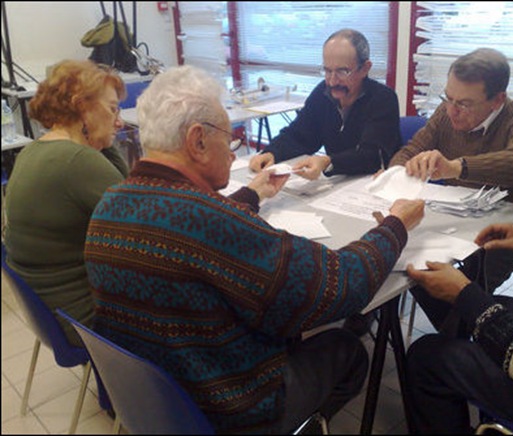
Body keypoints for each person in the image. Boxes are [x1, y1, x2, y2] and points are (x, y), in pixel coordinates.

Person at [84, 65, 425, 434]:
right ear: (198, 140)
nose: (234, 153)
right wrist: (395, 226)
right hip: (229, 410)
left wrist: (254, 193)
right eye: (229, 137)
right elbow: (339, 286)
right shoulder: (213, 221)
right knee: (348, 350)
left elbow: (190, 233)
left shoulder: (110, 203)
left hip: (152, 400)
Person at [405, 145, 513, 433]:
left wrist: (467, 296)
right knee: (479, 311)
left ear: (496, 100)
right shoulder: (444, 117)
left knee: (428, 357)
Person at [389, 47, 513, 337]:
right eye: (448, 98)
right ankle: (459, 336)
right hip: (459, 218)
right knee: (405, 261)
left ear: (497, 100)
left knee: (450, 282)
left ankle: (464, 343)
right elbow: (411, 150)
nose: (452, 110)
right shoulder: (446, 112)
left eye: (464, 104)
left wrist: (457, 167)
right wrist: (396, 172)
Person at [4, 59, 129, 348]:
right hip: (83, 319)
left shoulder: (35, 150)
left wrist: (99, 138)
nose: (119, 121)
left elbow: (124, 191)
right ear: (82, 106)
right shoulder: (77, 162)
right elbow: (146, 224)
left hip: (49, 314)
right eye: (112, 109)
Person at [249, 28, 402, 181]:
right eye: (328, 71)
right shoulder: (323, 93)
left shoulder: (383, 99)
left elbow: (372, 156)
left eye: (342, 72)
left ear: (365, 69)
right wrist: (272, 153)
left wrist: (328, 162)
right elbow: (299, 134)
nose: (332, 81)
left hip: (375, 183)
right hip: (337, 183)